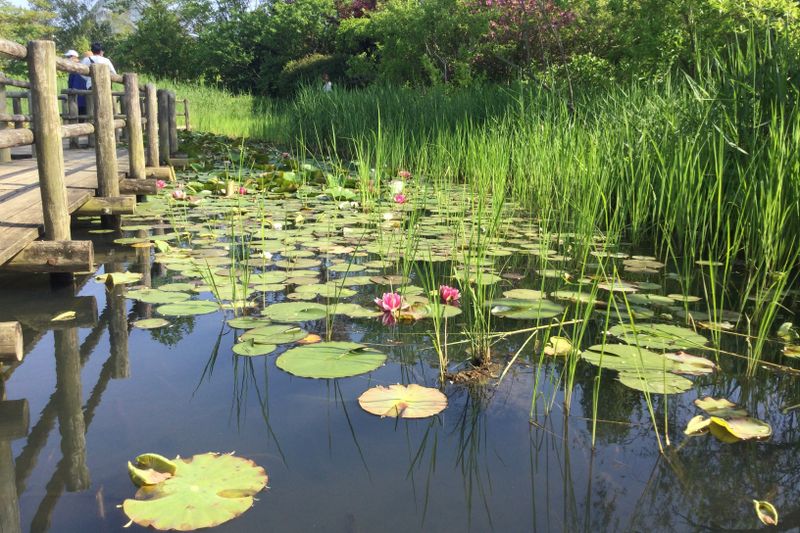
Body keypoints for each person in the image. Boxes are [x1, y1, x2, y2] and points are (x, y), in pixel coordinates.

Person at [64, 50, 88, 117]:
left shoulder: (79, 67)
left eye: (68, 57)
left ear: (74, 57)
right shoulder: (74, 69)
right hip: (77, 99)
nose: (67, 59)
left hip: (81, 99)